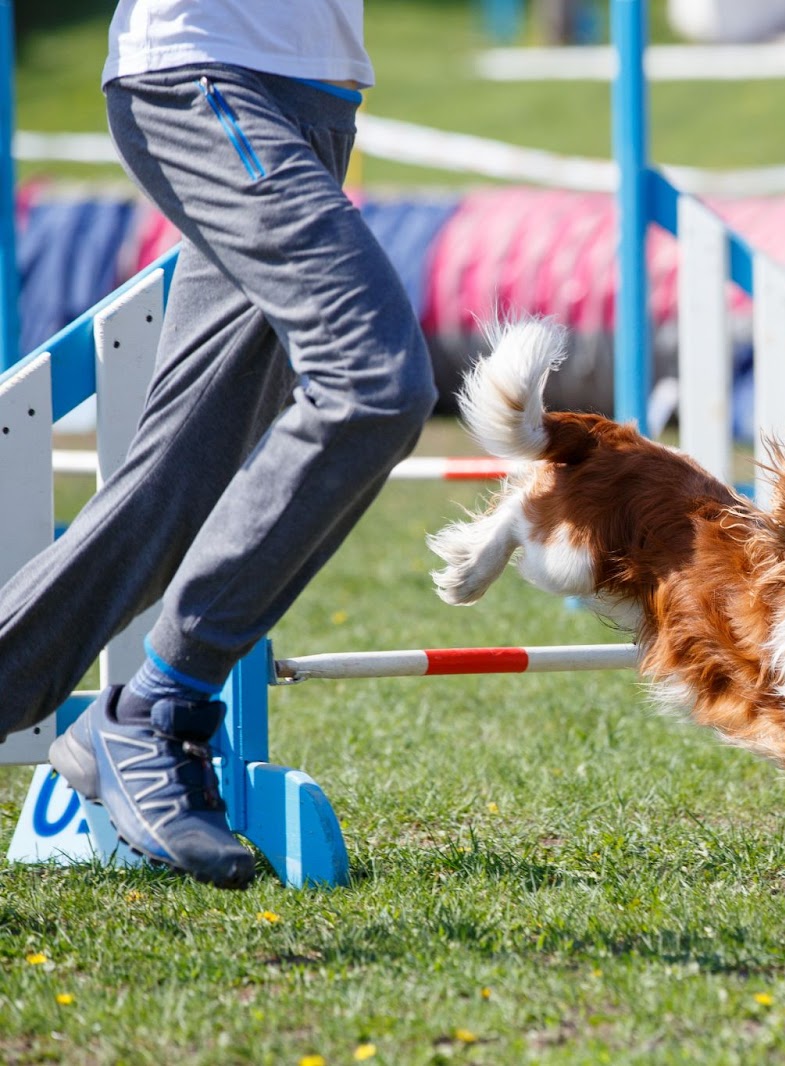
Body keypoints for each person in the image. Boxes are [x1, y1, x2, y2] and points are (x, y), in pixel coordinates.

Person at [0, 1, 438, 888]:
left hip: (311, 96)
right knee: (374, 382)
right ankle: (158, 708)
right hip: (205, 74)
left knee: (179, 475)